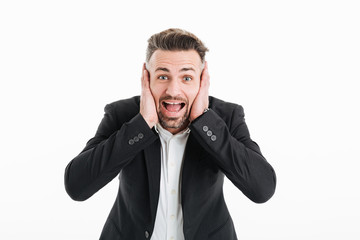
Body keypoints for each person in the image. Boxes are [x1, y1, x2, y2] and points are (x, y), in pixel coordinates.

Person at [64, 28, 276, 240]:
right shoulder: (122, 116)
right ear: (146, 79)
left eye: (186, 77)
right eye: (163, 76)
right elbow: (77, 186)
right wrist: (143, 124)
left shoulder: (226, 117)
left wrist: (204, 121)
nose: (173, 90)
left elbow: (262, 189)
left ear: (202, 81)